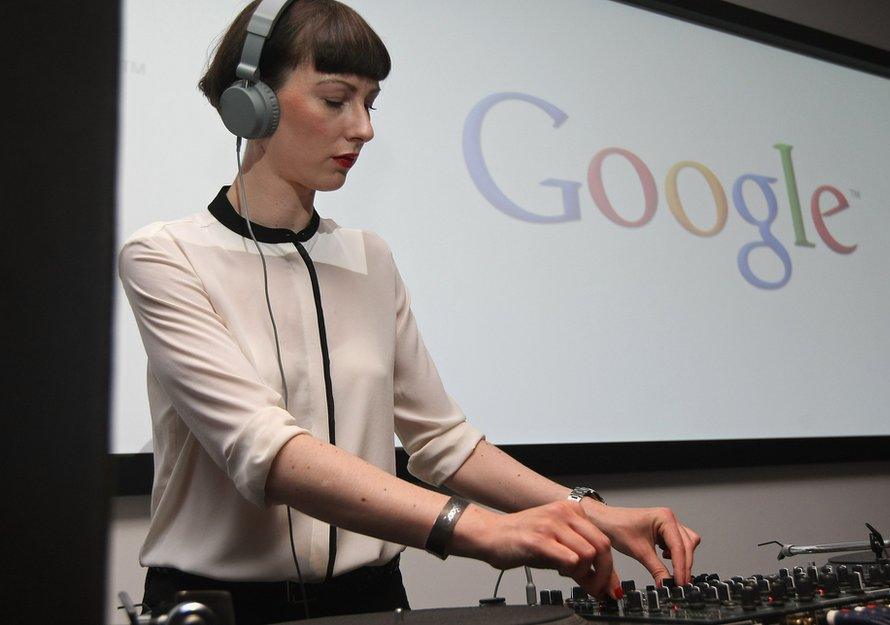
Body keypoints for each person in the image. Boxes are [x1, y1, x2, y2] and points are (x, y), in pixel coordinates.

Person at [118, 1, 701, 623]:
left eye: (371, 103)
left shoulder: (370, 259)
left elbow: (441, 442)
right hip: (219, 607)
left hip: (371, 599)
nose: (364, 128)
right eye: (337, 99)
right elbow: (265, 449)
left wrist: (594, 515)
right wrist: (476, 530)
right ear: (251, 100)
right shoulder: (165, 256)